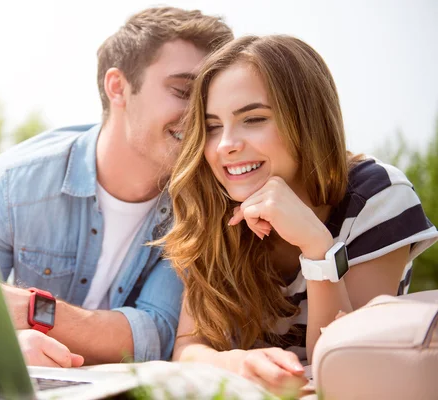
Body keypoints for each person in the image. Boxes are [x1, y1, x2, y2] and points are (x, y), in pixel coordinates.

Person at [160, 34, 438, 394]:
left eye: (254, 118)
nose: (226, 144)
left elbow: (348, 363)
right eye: (213, 127)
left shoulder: (375, 197)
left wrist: (317, 247)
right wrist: (236, 363)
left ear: (307, 121)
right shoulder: (213, 203)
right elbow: (188, 349)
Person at [0, 7, 233, 368]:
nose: (199, 116)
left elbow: (157, 334)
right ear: (118, 87)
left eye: (207, 99)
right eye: (183, 90)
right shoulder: (15, 186)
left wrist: (35, 312)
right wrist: (6, 344)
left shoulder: (202, 203)